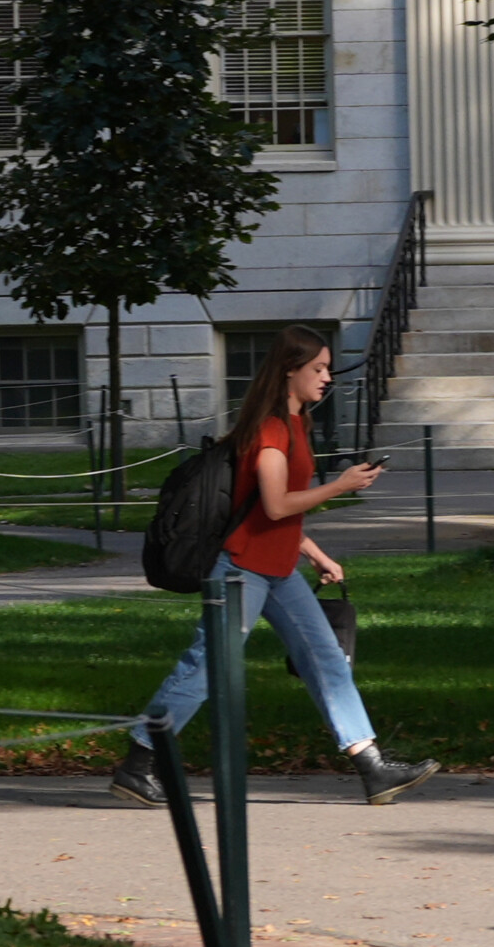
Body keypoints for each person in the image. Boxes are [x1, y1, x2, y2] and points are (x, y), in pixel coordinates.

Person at [110, 326, 438, 808]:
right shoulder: (270, 428)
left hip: (278, 569)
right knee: (206, 667)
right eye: (318, 369)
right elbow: (278, 504)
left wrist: (315, 554)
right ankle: (138, 765)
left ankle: (371, 767)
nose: (326, 378)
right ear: (289, 371)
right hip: (242, 570)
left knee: (325, 658)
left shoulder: (296, 423)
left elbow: (272, 514)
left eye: (327, 368)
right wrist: (341, 486)